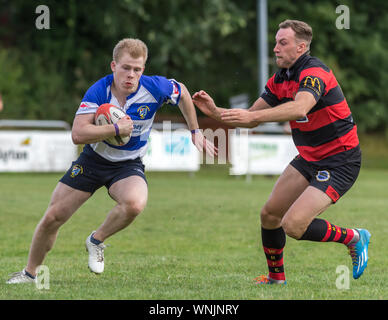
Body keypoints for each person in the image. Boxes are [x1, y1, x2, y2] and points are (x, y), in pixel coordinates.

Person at [7, 38, 217, 284]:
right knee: (53, 216)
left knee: (135, 204)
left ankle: (96, 240)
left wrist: (194, 131)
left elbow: (181, 91)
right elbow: (78, 134)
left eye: (137, 69)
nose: (131, 74)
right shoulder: (99, 91)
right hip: (93, 161)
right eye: (126, 68)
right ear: (113, 66)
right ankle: (30, 274)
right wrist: (116, 128)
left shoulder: (155, 88)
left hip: (128, 165)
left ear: (143, 70)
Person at [192, 20, 370, 284]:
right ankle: (276, 279)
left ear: (300, 47)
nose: (275, 48)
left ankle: (354, 238)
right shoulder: (280, 79)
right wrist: (216, 112)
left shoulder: (314, 73)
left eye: (282, 43)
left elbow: (300, 108)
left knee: (294, 225)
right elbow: (250, 118)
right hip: (309, 158)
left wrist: (255, 116)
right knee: (270, 215)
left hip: (340, 161)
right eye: (275, 42)